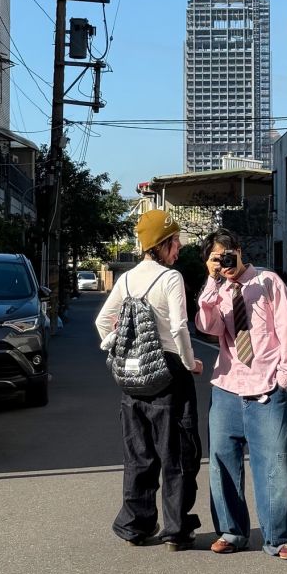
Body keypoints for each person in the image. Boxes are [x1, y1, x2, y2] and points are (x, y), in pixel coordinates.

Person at [95, 209, 203, 551]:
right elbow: (179, 327)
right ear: (163, 243)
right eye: (176, 242)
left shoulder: (126, 279)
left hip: (135, 372)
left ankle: (136, 526)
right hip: (170, 373)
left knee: (139, 454)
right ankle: (175, 529)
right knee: (177, 453)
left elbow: (102, 322)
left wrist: (115, 350)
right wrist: (191, 362)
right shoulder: (171, 279)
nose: (180, 248)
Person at [196, 227, 287, 561]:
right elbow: (207, 327)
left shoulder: (269, 283)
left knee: (276, 465)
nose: (224, 262)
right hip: (227, 386)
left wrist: (285, 377)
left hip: (267, 387)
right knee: (222, 463)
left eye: (227, 255)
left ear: (239, 251)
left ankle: (279, 538)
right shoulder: (219, 290)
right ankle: (231, 531)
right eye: (216, 258)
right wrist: (213, 282)